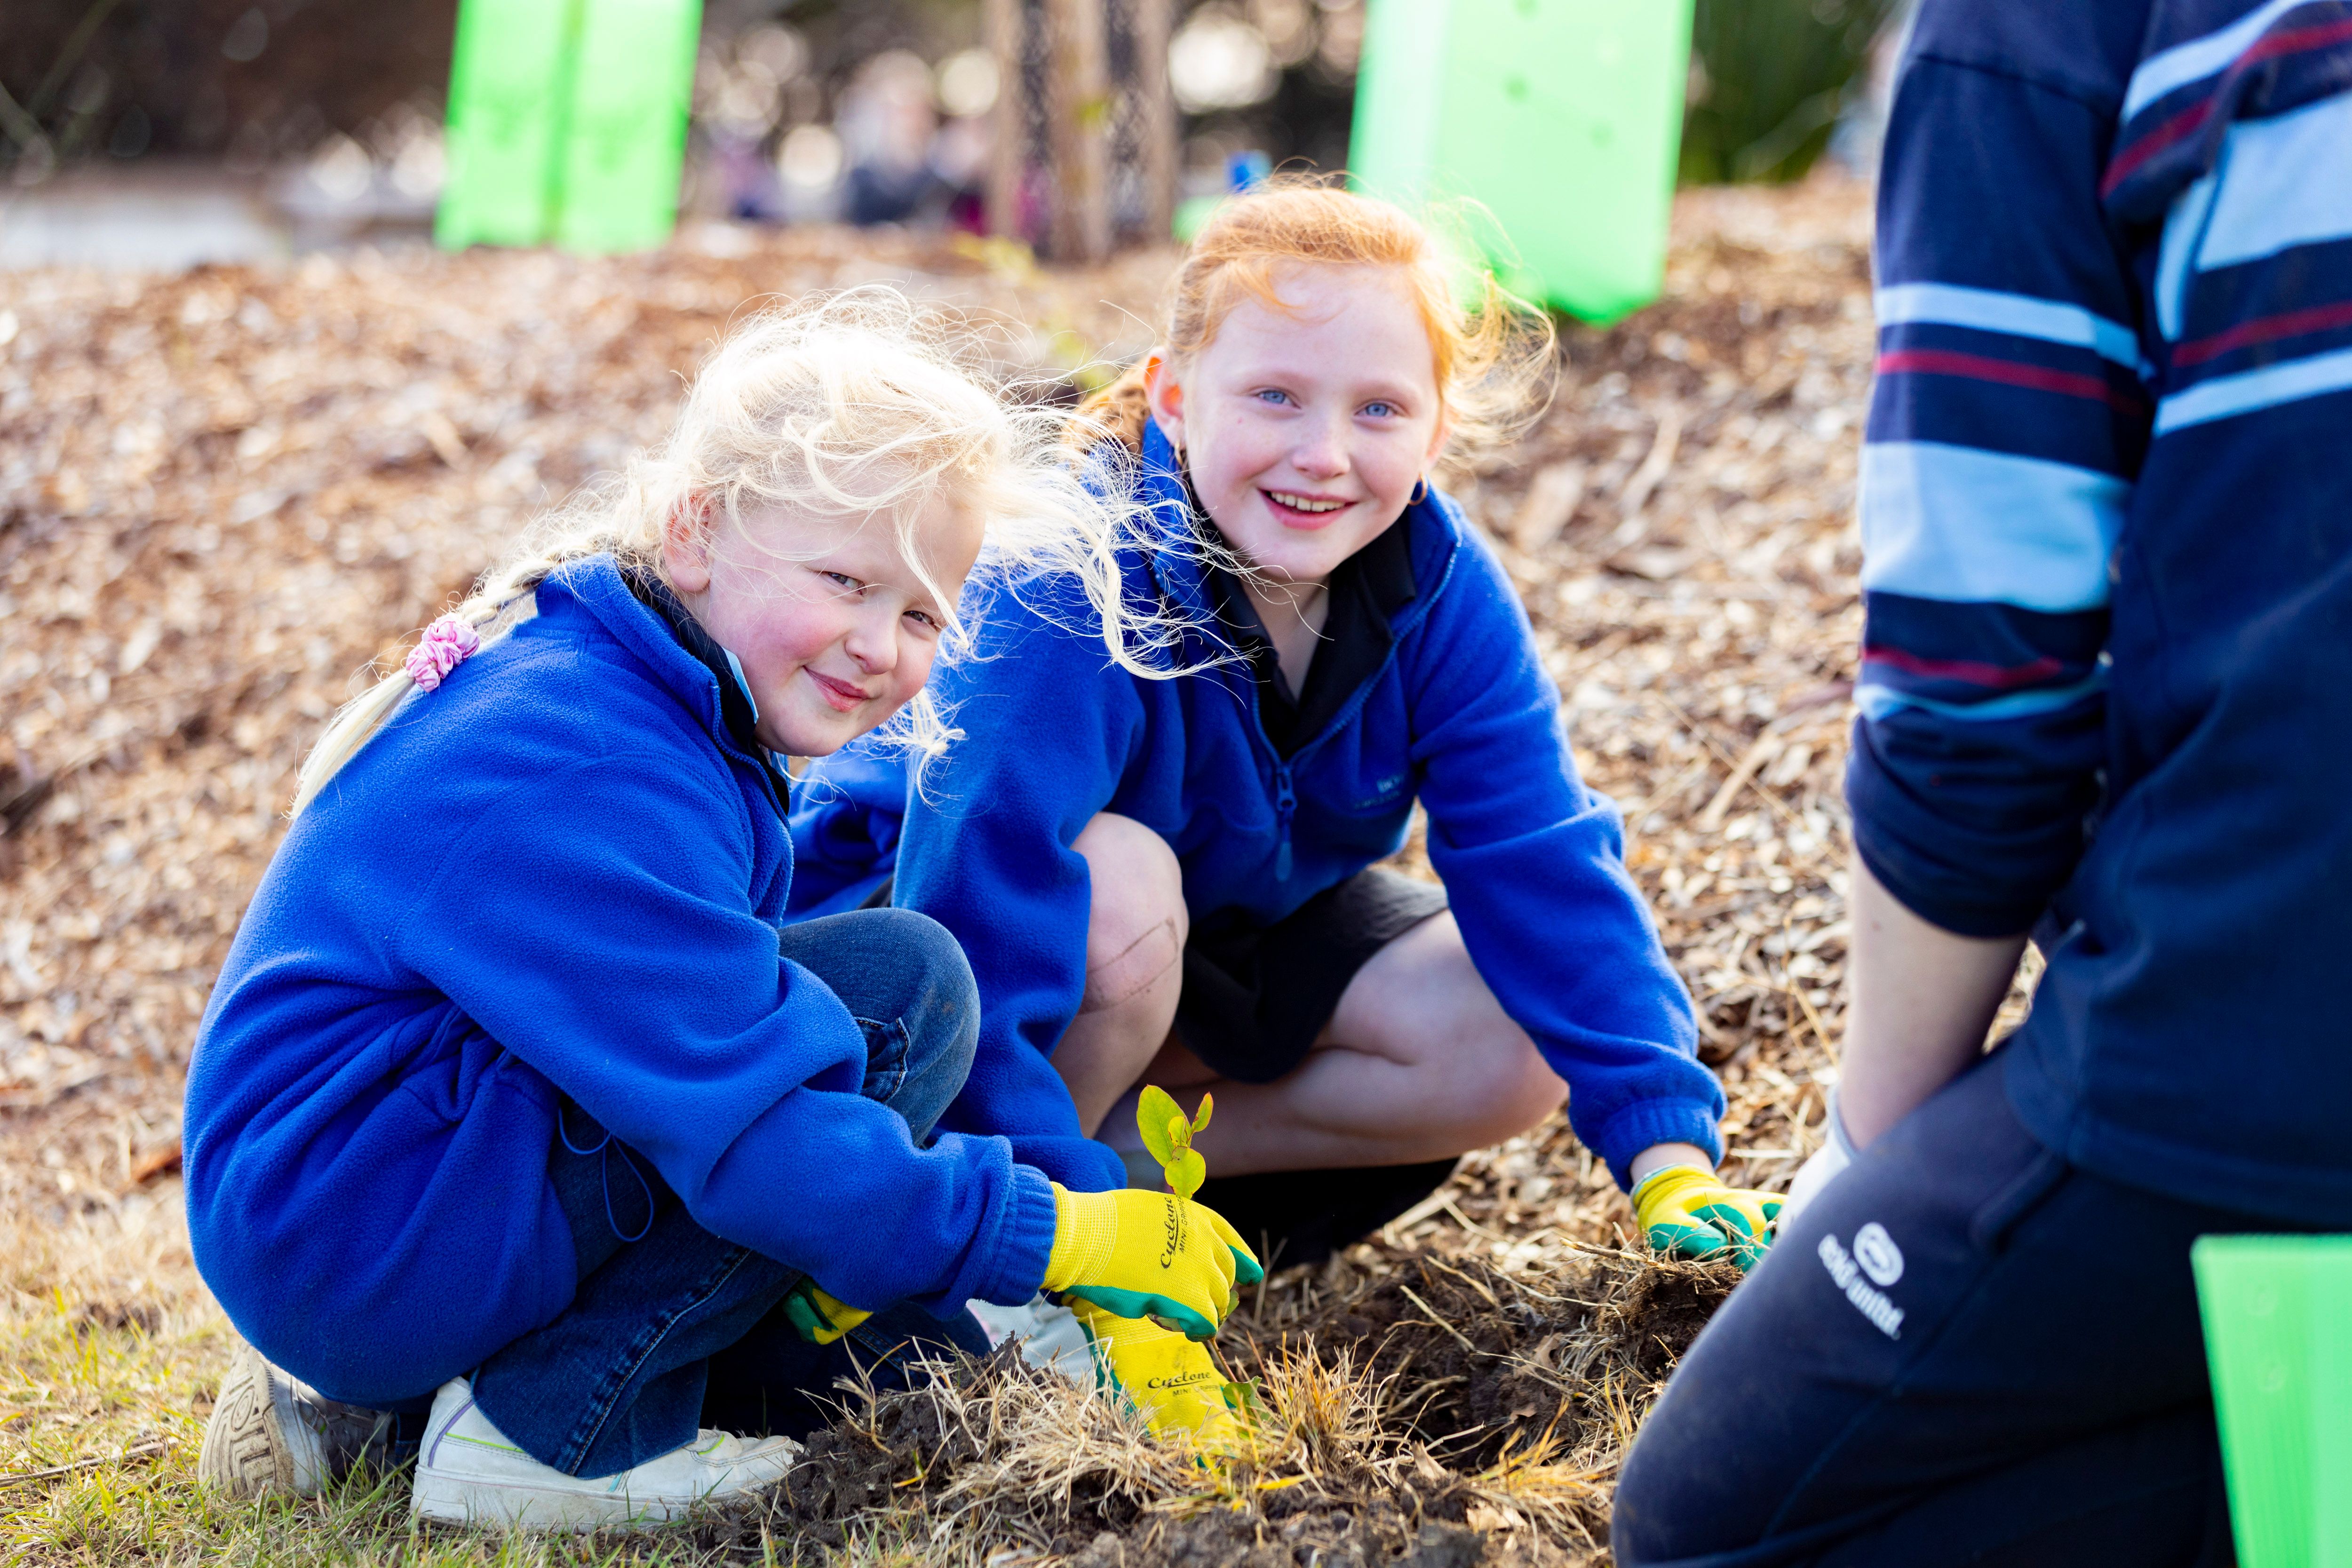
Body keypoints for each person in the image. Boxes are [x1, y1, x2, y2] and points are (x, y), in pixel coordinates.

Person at [184, 294, 1261, 1531]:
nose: (879, 645)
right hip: (365, 1228)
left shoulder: (636, 678)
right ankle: (550, 1436)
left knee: (876, 1281)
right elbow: (746, 1121)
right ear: (697, 532)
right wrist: (1046, 1229)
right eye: (845, 579)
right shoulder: (595, 765)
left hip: (384, 1185)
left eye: (920, 614)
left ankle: (383, 1406)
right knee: (897, 1003)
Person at [1613, 1, 2352, 1561]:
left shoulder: (2032, 31)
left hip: (2272, 1027)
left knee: (1720, 1516)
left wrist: (1868, 1140)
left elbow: (1983, 702)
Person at [792, 183, 1780, 1321]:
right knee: (1117, 885)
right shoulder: (1070, 577)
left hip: (1213, 945)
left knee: (1506, 1038)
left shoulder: (1439, 587)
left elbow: (1537, 851)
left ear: (1435, 429)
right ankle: (1016, 1236)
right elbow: (978, 881)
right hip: (930, 959)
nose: (1322, 455)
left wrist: (1668, 1149)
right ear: (1172, 396)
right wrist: (1035, 1208)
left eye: (1378, 410)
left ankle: (1137, 1186)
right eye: (1274, 395)